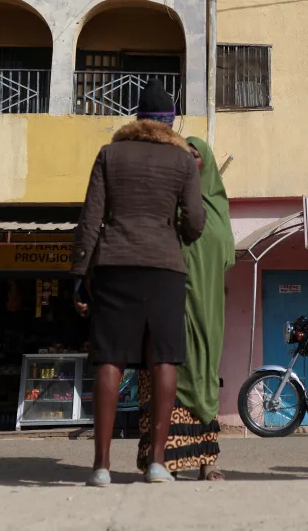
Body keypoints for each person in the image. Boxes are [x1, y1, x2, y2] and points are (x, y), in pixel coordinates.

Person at [71, 80, 206, 487]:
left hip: (115, 263)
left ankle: (101, 466)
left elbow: (91, 218)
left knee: (109, 358)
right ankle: (158, 465)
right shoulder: (183, 162)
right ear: (169, 121)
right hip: (165, 267)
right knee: (164, 358)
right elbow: (196, 222)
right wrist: (173, 231)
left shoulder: (110, 155)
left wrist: (80, 273)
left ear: (137, 117)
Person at [135, 137, 235, 481]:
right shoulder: (167, 200)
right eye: (183, 155)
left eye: (195, 155)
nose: (190, 160)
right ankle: (164, 461)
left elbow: (225, 255)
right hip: (169, 300)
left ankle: (208, 461)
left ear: (206, 161)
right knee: (168, 373)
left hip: (207, 307)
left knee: (205, 377)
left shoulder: (219, 208)